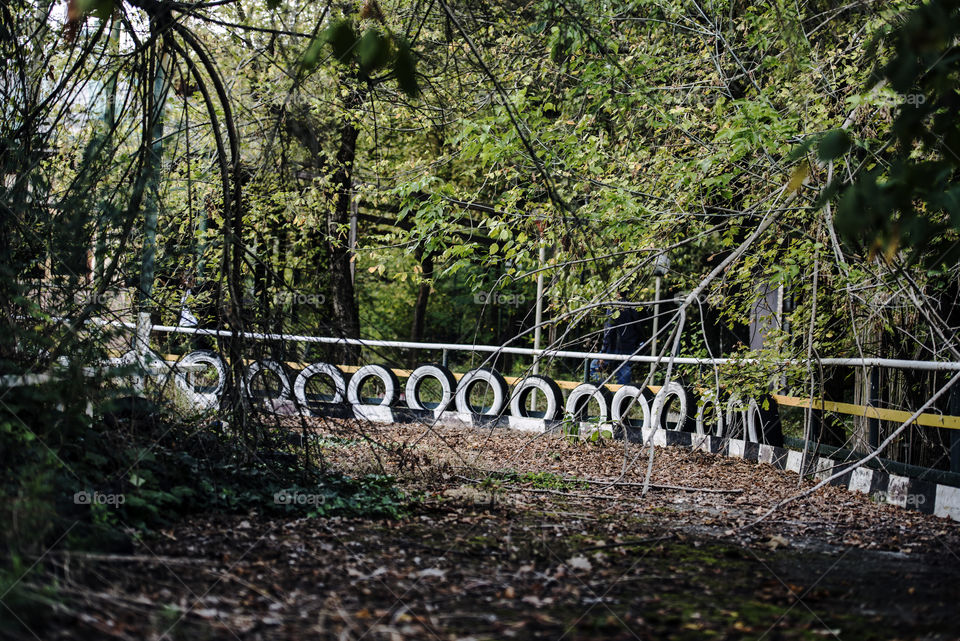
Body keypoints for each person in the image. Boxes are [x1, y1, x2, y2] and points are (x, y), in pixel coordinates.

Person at [590, 290, 645, 385]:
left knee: (594, 365)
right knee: (624, 373)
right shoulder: (632, 306)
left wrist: (603, 351)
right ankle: (622, 397)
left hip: (613, 347)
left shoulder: (613, 306)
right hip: (629, 346)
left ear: (617, 293)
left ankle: (601, 391)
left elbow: (609, 330)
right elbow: (638, 327)